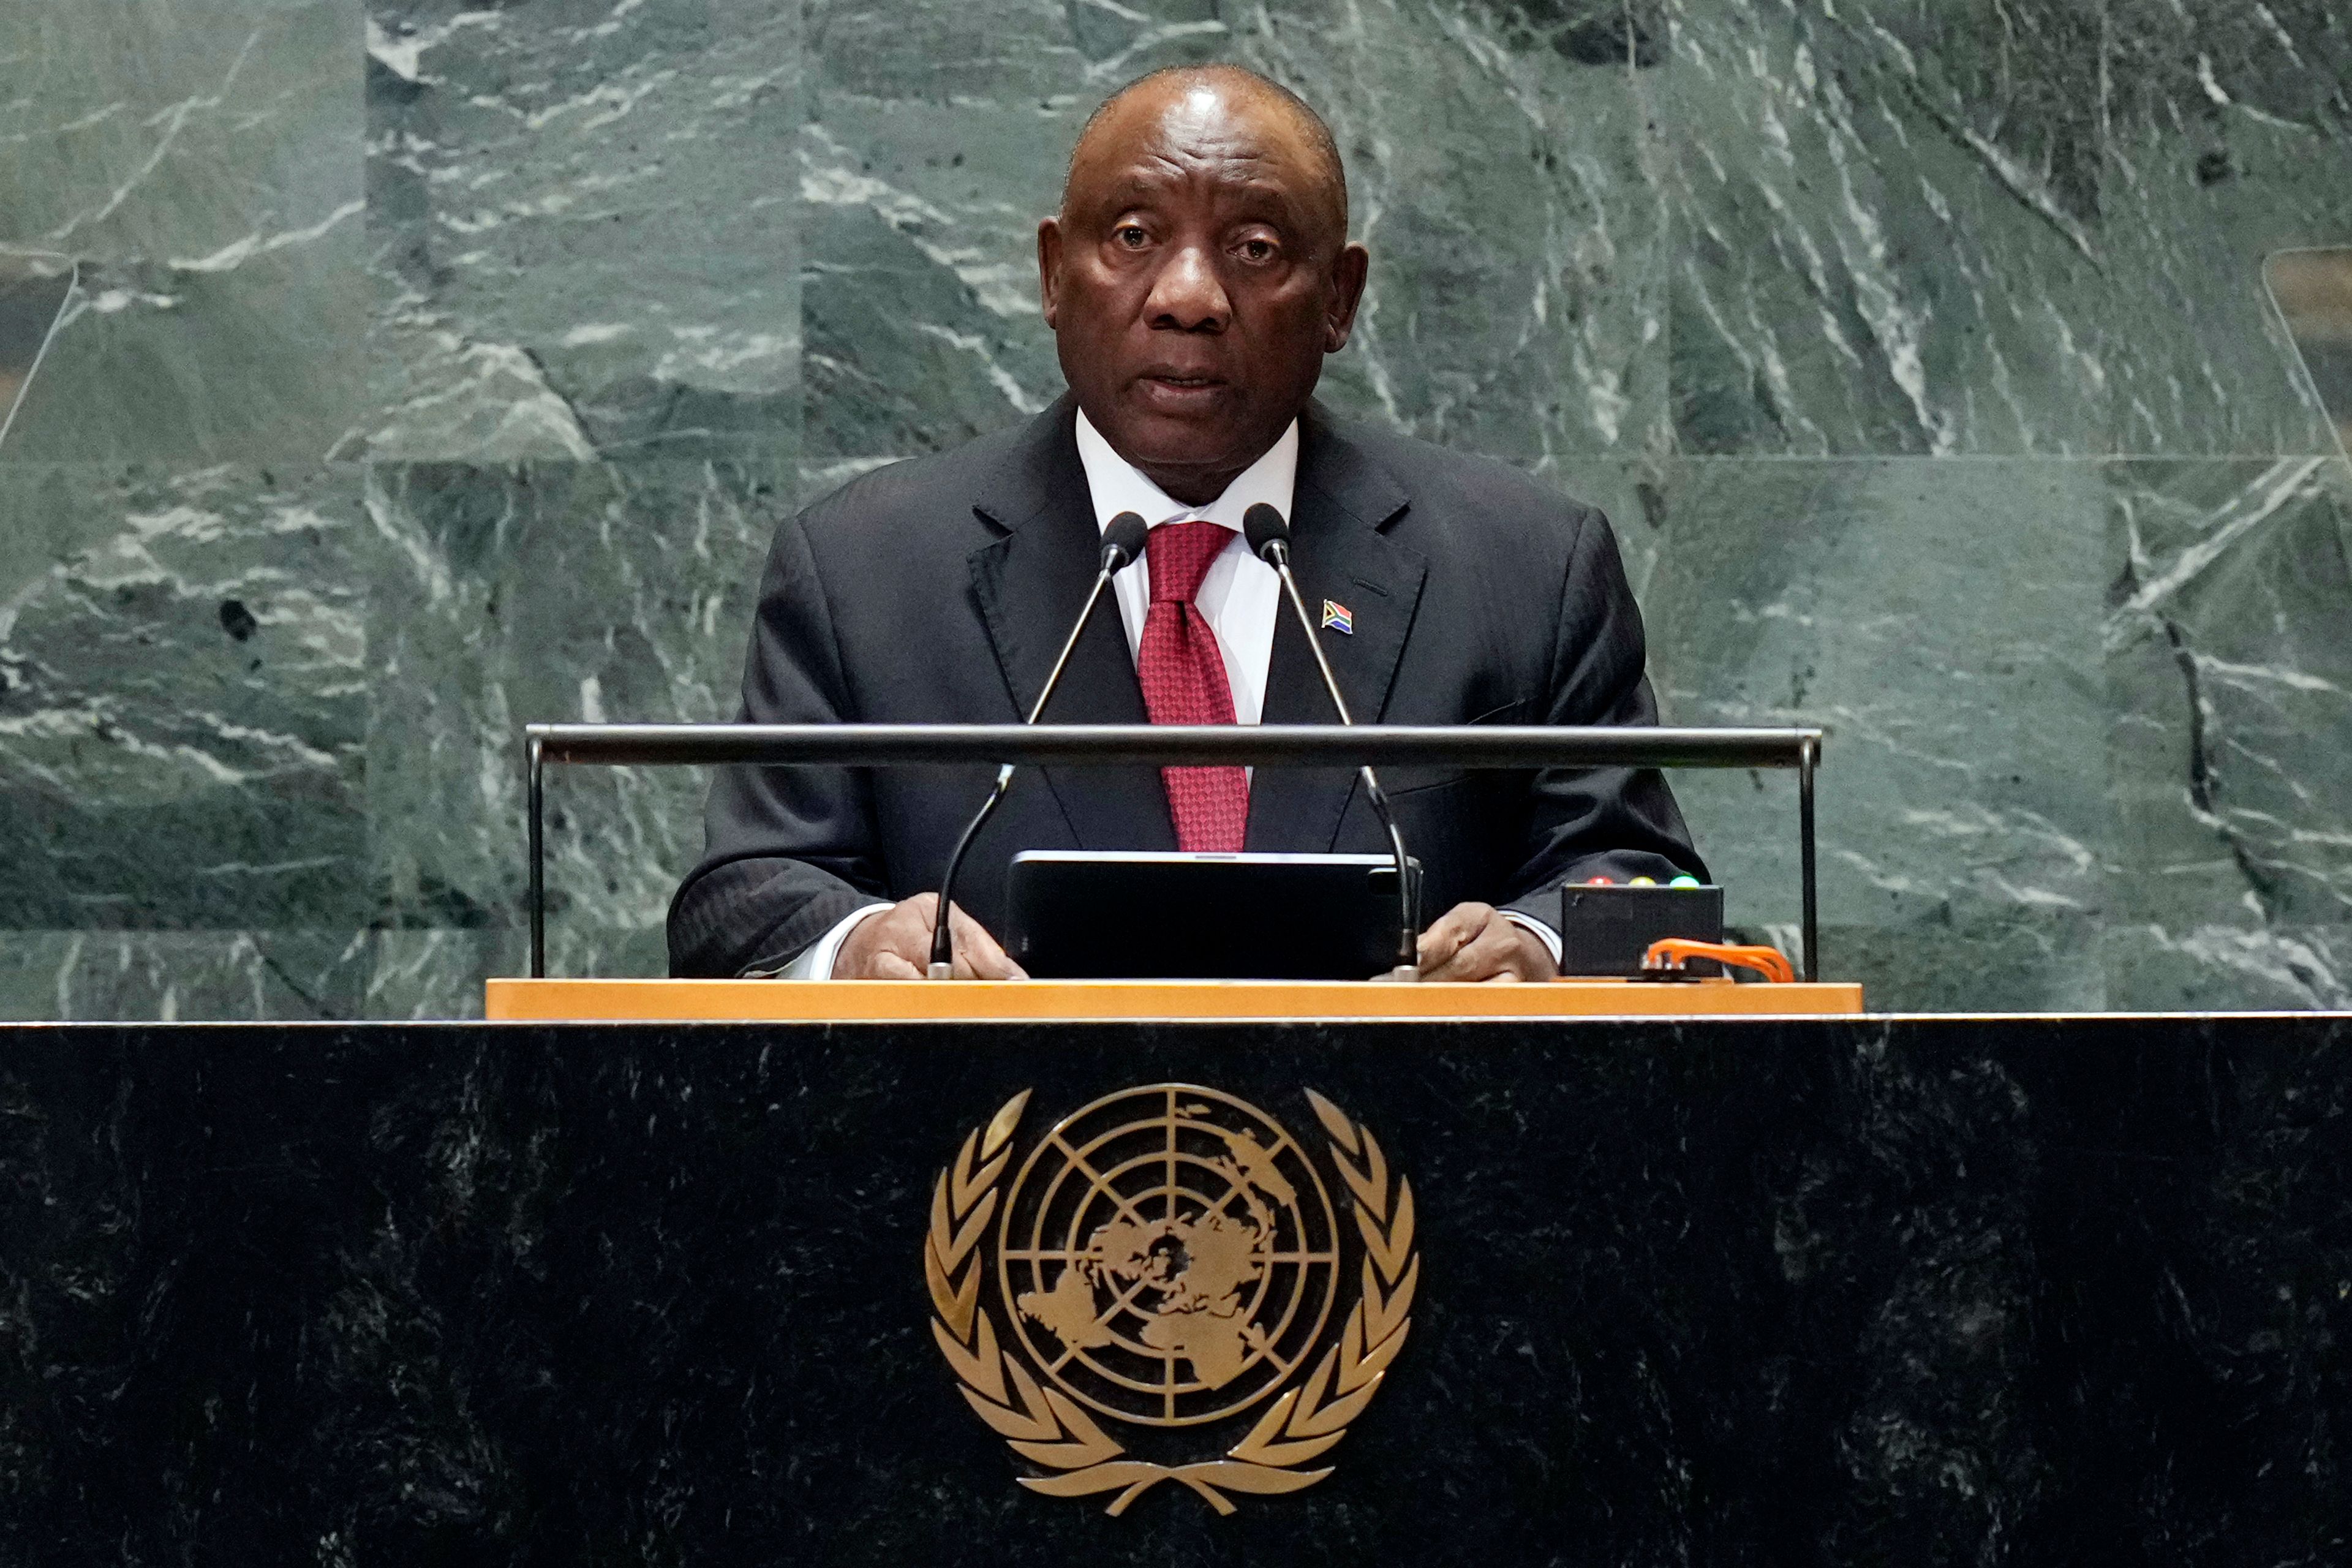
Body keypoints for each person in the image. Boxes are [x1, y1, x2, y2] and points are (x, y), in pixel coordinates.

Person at [668, 64, 1703, 982]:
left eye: (1254, 248)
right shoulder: (863, 570)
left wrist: (1542, 943)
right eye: (1133, 237)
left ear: (1340, 298)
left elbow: (1648, 887)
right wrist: (855, 945)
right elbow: (747, 897)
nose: (1191, 296)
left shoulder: (1525, 566)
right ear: (1051, 274)